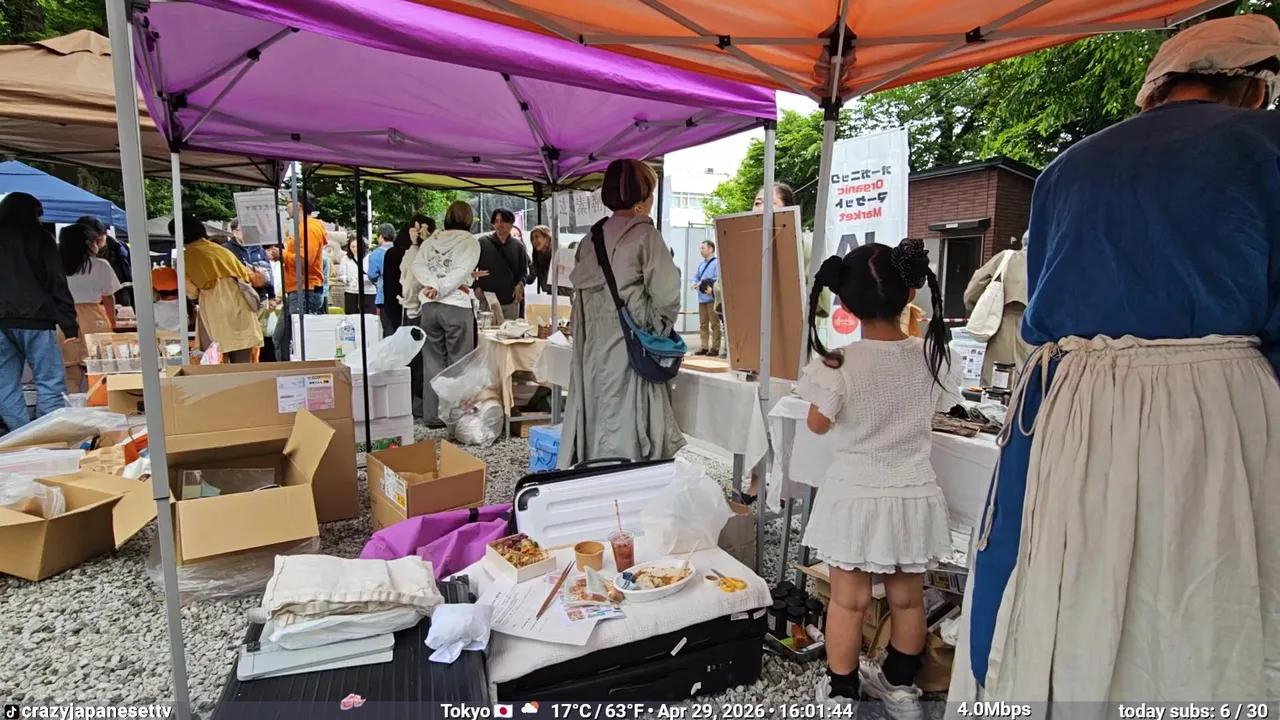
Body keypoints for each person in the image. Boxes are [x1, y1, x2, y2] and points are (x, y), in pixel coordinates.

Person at [950, 15, 1280, 706]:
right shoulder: (1264, 144)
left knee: (1070, 584)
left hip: (1073, 409)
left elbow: (1043, 310)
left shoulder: (1066, 168)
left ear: (1156, 90)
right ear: (1255, 88)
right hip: (1214, 409)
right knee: (1199, 602)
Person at [799, 240, 953, 713]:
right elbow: (942, 408)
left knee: (848, 602)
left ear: (844, 305)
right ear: (910, 293)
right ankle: (901, 687)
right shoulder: (931, 357)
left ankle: (842, 694)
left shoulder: (838, 363)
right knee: (909, 600)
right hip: (913, 492)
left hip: (856, 495)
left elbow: (817, 424)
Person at [559, 159, 684, 467]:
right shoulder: (645, 237)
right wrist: (656, 329)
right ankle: (627, 482)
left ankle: (596, 475)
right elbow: (667, 295)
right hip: (631, 345)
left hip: (592, 348)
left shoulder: (590, 240)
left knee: (596, 413)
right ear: (642, 197)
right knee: (630, 418)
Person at [0, 193, 76, 429]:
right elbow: (56, 281)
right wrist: (69, 324)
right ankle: (49, 434)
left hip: (1, 321)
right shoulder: (41, 238)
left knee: (5, 385)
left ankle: (21, 435)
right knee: (49, 381)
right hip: (37, 318)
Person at [412, 201, 480, 428]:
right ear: (468, 219)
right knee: (458, 363)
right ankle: (455, 418)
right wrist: (440, 288)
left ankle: (432, 416)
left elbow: (418, 266)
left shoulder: (431, 240)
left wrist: (432, 285)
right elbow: (461, 272)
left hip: (429, 306)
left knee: (432, 361)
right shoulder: (469, 242)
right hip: (456, 304)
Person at [174, 215, 262, 364]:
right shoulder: (222, 250)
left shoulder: (185, 258)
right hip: (240, 303)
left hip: (213, 305)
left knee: (214, 358)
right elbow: (246, 275)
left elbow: (191, 290)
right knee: (243, 360)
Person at [58, 223, 120, 392]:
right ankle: (99, 401)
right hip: (94, 318)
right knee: (98, 368)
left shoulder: (56, 266)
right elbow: (109, 297)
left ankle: (74, 404)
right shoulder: (100, 265)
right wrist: (112, 322)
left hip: (64, 319)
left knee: (70, 371)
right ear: (88, 243)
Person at [962, 233, 1030, 385]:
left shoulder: (1006, 258)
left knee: (998, 383)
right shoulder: (1053, 264)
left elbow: (973, 291)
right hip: (1040, 334)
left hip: (1003, 325)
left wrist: (979, 311)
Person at [268, 191, 326, 360]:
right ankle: (289, 370)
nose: (286, 206)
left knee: (295, 340)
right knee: (282, 338)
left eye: (288, 202)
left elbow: (304, 260)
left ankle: (294, 371)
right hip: (299, 291)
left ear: (298, 205)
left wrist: (283, 255)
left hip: (304, 291)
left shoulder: (309, 228)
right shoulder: (305, 228)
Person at [393, 215, 435, 409]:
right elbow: (409, 285)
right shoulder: (413, 253)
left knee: (418, 357)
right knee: (418, 357)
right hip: (415, 311)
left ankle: (417, 400)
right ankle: (418, 399)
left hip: (416, 310)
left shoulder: (414, 252)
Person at [474, 208, 531, 322]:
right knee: (486, 330)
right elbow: (471, 268)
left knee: (510, 330)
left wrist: (520, 284)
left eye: (503, 221)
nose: (499, 225)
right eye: (496, 221)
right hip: (488, 300)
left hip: (510, 300)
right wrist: (476, 287)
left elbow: (524, 272)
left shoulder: (518, 246)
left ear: (511, 224)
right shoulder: (482, 243)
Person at [78, 216, 132, 308]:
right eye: (90, 240)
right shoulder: (74, 253)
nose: (95, 244)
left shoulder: (120, 248)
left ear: (105, 234)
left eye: (98, 239)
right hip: (89, 302)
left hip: (120, 297)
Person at [690, 240, 721, 356]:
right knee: (703, 324)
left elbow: (718, 279)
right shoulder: (701, 264)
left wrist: (704, 283)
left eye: (703, 248)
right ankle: (704, 347)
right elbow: (695, 277)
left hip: (712, 299)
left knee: (714, 324)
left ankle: (715, 348)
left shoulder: (716, 263)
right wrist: (694, 283)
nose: (701, 250)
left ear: (711, 249)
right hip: (702, 298)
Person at [367, 223, 396, 336]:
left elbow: (372, 275)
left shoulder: (376, 254)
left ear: (381, 236)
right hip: (402, 296)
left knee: (388, 330)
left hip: (384, 296)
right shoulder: (401, 250)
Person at [341, 236, 376, 315]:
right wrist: (346, 279)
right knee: (351, 315)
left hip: (368, 291)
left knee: (368, 316)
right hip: (351, 291)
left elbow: (374, 274)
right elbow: (341, 275)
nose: (355, 249)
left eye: (357, 246)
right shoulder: (345, 258)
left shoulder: (370, 257)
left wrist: (366, 278)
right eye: (352, 247)